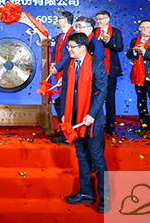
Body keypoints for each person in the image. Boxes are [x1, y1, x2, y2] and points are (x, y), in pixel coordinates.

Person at [60, 32, 108, 214]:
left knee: (97, 158)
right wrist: (64, 114)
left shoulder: (97, 65)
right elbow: (66, 90)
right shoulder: (70, 64)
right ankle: (86, 192)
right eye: (68, 47)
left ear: (83, 48)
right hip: (74, 119)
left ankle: (105, 198)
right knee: (81, 156)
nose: (69, 50)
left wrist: (91, 114)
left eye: (72, 47)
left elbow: (101, 92)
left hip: (91, 120)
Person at [125, 20, 150, 138]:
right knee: (141, 102)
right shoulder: (134, 41)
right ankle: (144, 125)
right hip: (138, 75)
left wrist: (144, 51)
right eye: (144, 27)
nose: (147, 29)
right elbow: (128, 55)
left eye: (149, 27)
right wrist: (134, 51)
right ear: (140, 29)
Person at [94, 10, 124, 135]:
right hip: (96, 69)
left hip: (111, 69)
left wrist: (108, 41)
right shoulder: (94, 31)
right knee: (95, 97)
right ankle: (96, 123)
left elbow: (119, 47)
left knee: (110, 98)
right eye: (97, 19)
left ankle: (110, 125)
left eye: (101, 19)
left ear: (108, 19)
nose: (99, 21)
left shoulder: (116, 32)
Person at [49, 11, 74, 144]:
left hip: (68, 73)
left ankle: (67, 135)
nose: (57, 21)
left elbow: (70, 57)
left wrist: (62, 72)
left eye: (59, 19)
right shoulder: (60, 36)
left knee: (65, 105)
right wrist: (54, 63)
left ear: (65, 20)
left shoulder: (73, 35)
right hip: (59, 73)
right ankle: (63, 132)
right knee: (60, 103)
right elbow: (56, 52)